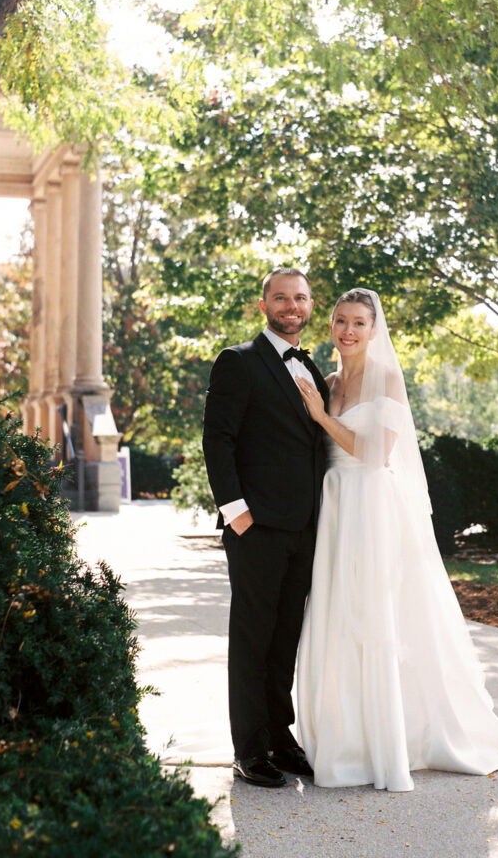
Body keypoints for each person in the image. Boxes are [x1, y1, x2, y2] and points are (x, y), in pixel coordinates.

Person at [293, 288, 498, 792]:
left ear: (373, 328)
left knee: (373, 613)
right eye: (340, 321)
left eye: (359, 322)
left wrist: (322, 417)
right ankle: (342, 735)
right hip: (335, 505)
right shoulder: (331, 380)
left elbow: (376, 452)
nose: (347, 331)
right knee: (335, 614)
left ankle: (389, 737)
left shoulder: (385, 377)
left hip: (371, 506)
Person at [202, 268, 330, 788]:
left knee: (285, 638)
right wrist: (238, 514)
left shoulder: (313, 368)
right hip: (256, 527)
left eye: (299, 298)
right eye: (281, 297)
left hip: (305, 528)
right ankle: (249, 748)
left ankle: (281, 735)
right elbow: (218, 440)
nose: (291, 306)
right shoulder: (238, 362)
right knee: (253, 638)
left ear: (310, 305)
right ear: (264, 305)